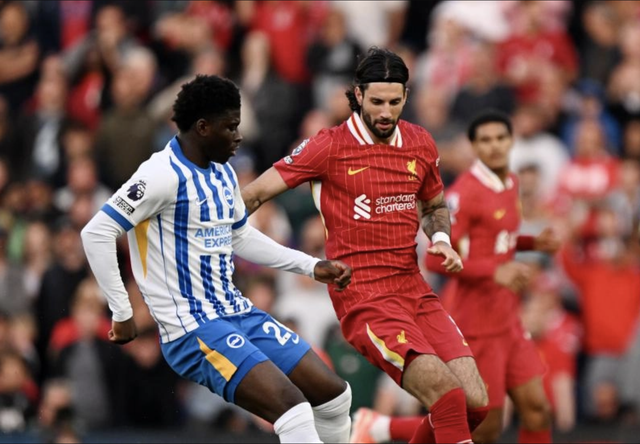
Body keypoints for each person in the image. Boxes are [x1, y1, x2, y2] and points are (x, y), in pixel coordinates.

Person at [81, 75, 354, 443]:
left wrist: (309, 265)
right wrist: (122, 311)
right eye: (231, 127)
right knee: (294, 410)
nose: (238, 136)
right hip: (192, 329)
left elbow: (238, 235)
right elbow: (96, 232)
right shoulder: (160, 175)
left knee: (334, 396)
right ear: (203, 127)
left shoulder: (222, 170)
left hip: (236, 312)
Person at [242, 47, 489, 444]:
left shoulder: (420, 142)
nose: (386, 112)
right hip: (364, 295)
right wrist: (206, 228)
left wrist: (441, 239)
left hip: (414, 288)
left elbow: (433, 205)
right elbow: (254, 194)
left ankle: (376, 430)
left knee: (475, 405)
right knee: (447, 396)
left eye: (394, 102)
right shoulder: (329, 146)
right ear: (358, 95)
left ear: (406, 96)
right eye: (376, 102)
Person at [349, 110, 560, 443]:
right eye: (485, 140)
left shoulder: (511, 182)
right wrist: (495, 271)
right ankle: (382, 428)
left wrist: (532, 243)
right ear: (474, 146)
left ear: (512, 142)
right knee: (485, 427)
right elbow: (436, 258)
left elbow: (495, 239)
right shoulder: (465, 194)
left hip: (508, 319)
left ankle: (378, 427)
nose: (494, 146)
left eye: (500, 138)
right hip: (476, 323)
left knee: (538, 409)